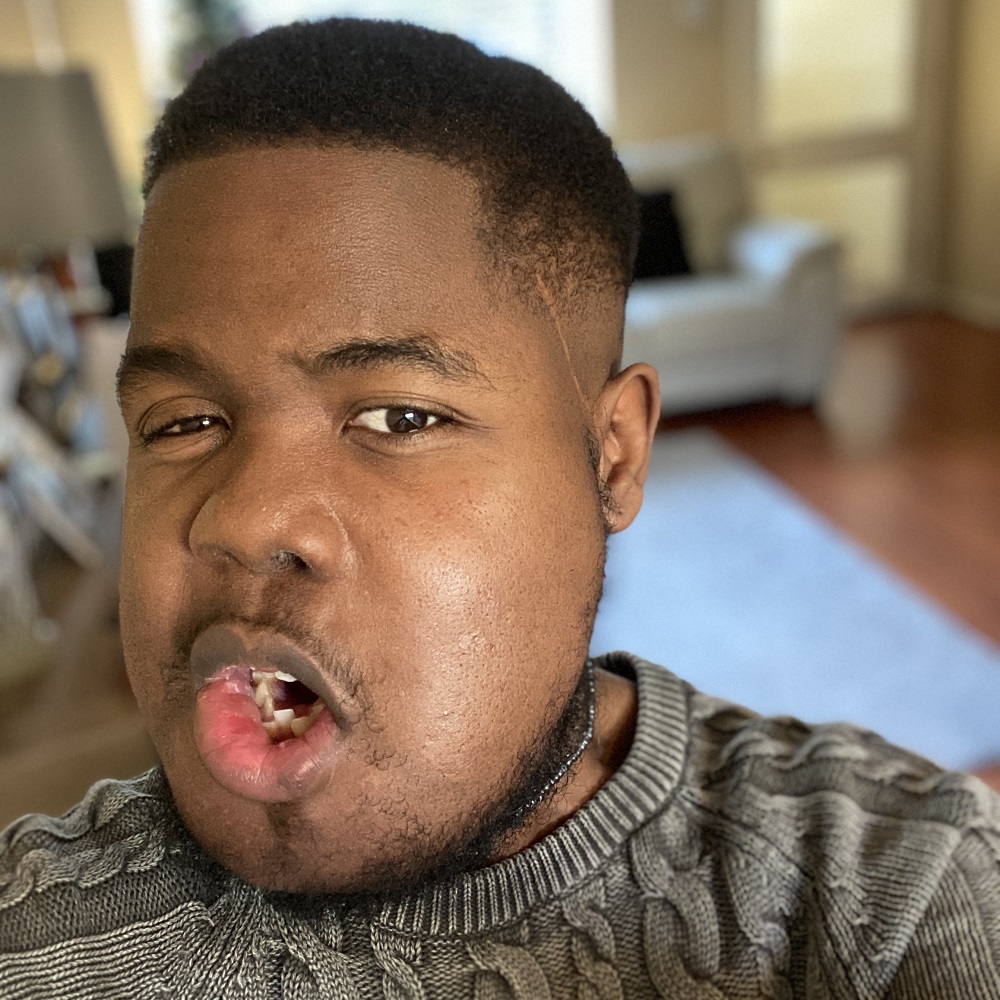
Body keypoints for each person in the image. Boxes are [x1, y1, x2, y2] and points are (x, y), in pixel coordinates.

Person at [2, 17, 999, 999]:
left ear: (610, 457)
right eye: (183, 423)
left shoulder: (898, 894)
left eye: (398, 414)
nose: (243, 518)